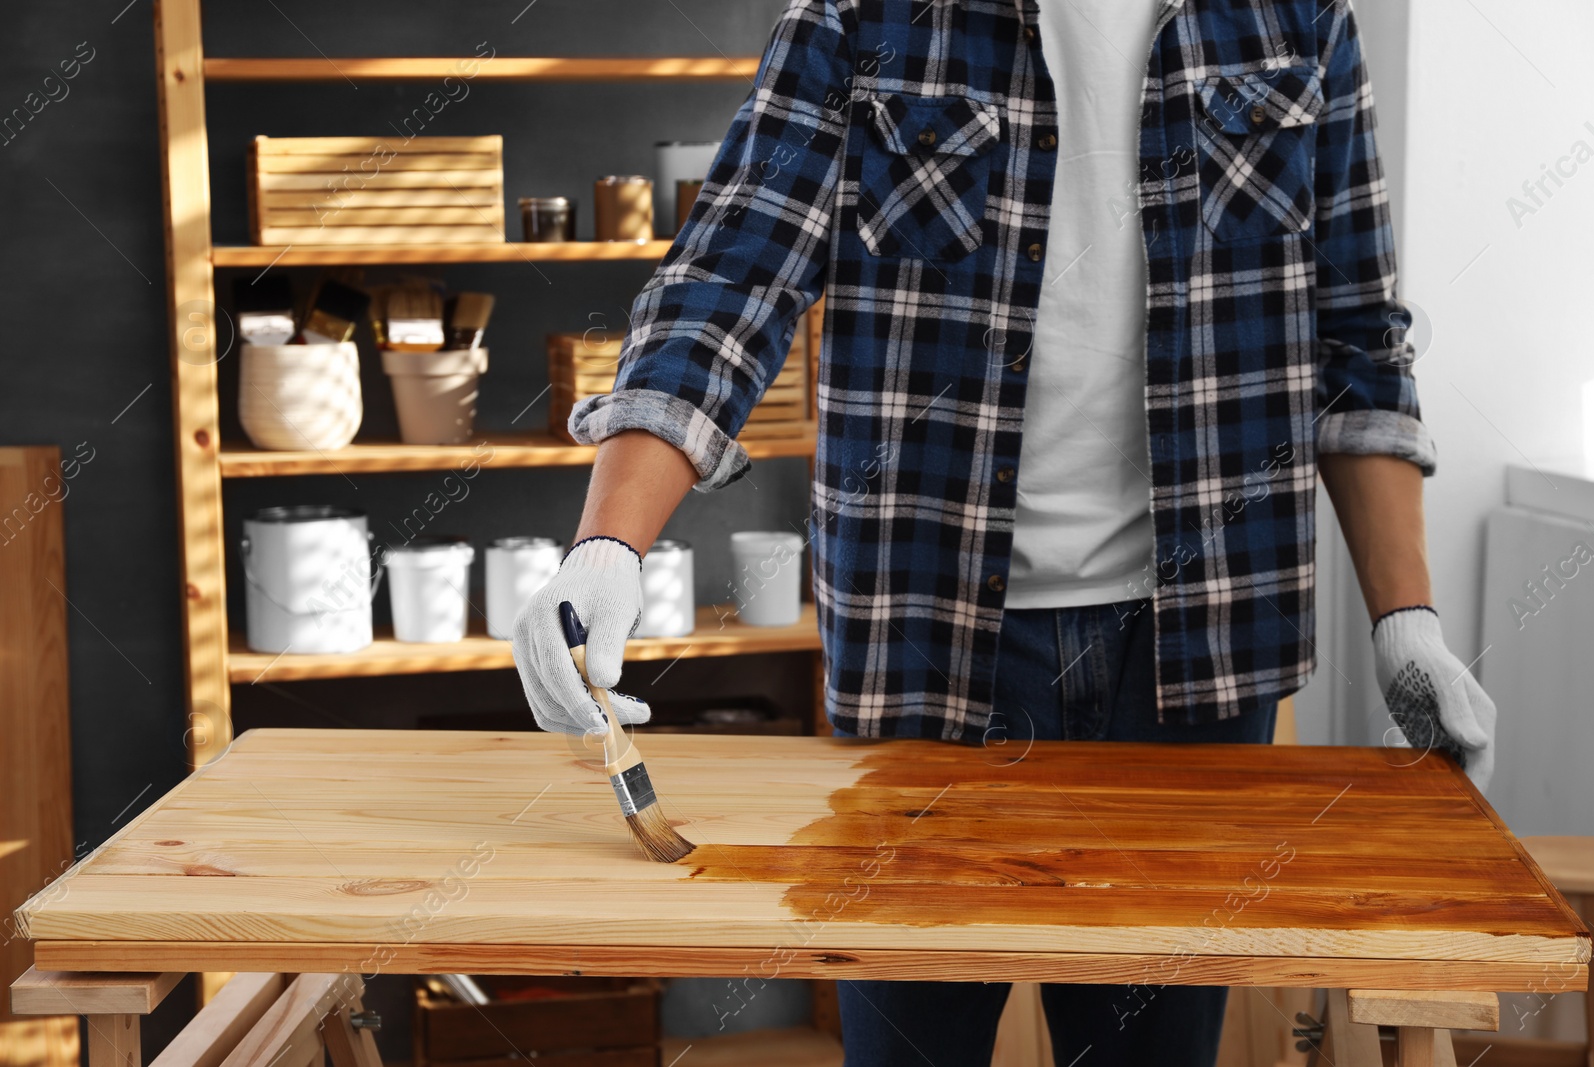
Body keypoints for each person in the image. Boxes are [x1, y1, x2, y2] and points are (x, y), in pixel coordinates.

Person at [511, 0, 1497, 1062]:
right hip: (925, 648)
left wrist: (1409, 621)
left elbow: (1355, 328)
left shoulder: (1296, 15)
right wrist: (607, 547)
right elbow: (729, 278)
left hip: (1200, 658)